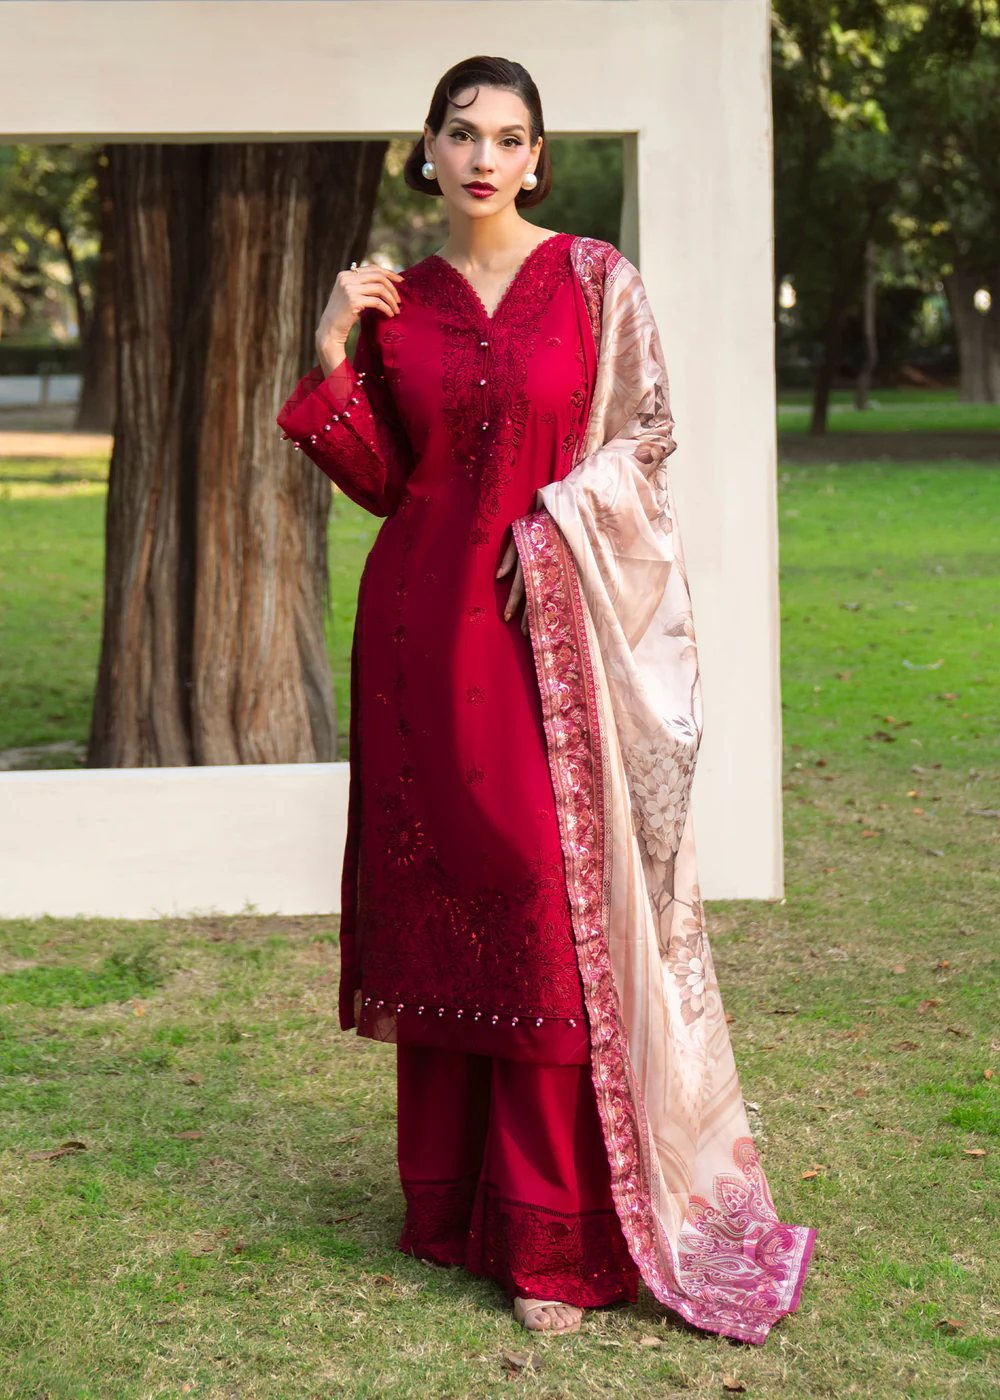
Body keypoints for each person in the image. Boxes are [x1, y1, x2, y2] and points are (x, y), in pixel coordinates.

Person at [277, 54, 816, 1344]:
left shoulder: (592, 280)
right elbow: (382, 480)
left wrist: (553, 526)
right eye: (462, 133)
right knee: (443, 901)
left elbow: (646, 437)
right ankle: (451, 1205)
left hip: (545, 634)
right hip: (417, 634)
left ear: (539, 160)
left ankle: (551, 1230)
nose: (483, 157)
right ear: (426, 147)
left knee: (539, 904)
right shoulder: (397, 304)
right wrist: (329, 348)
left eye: (509, 138)